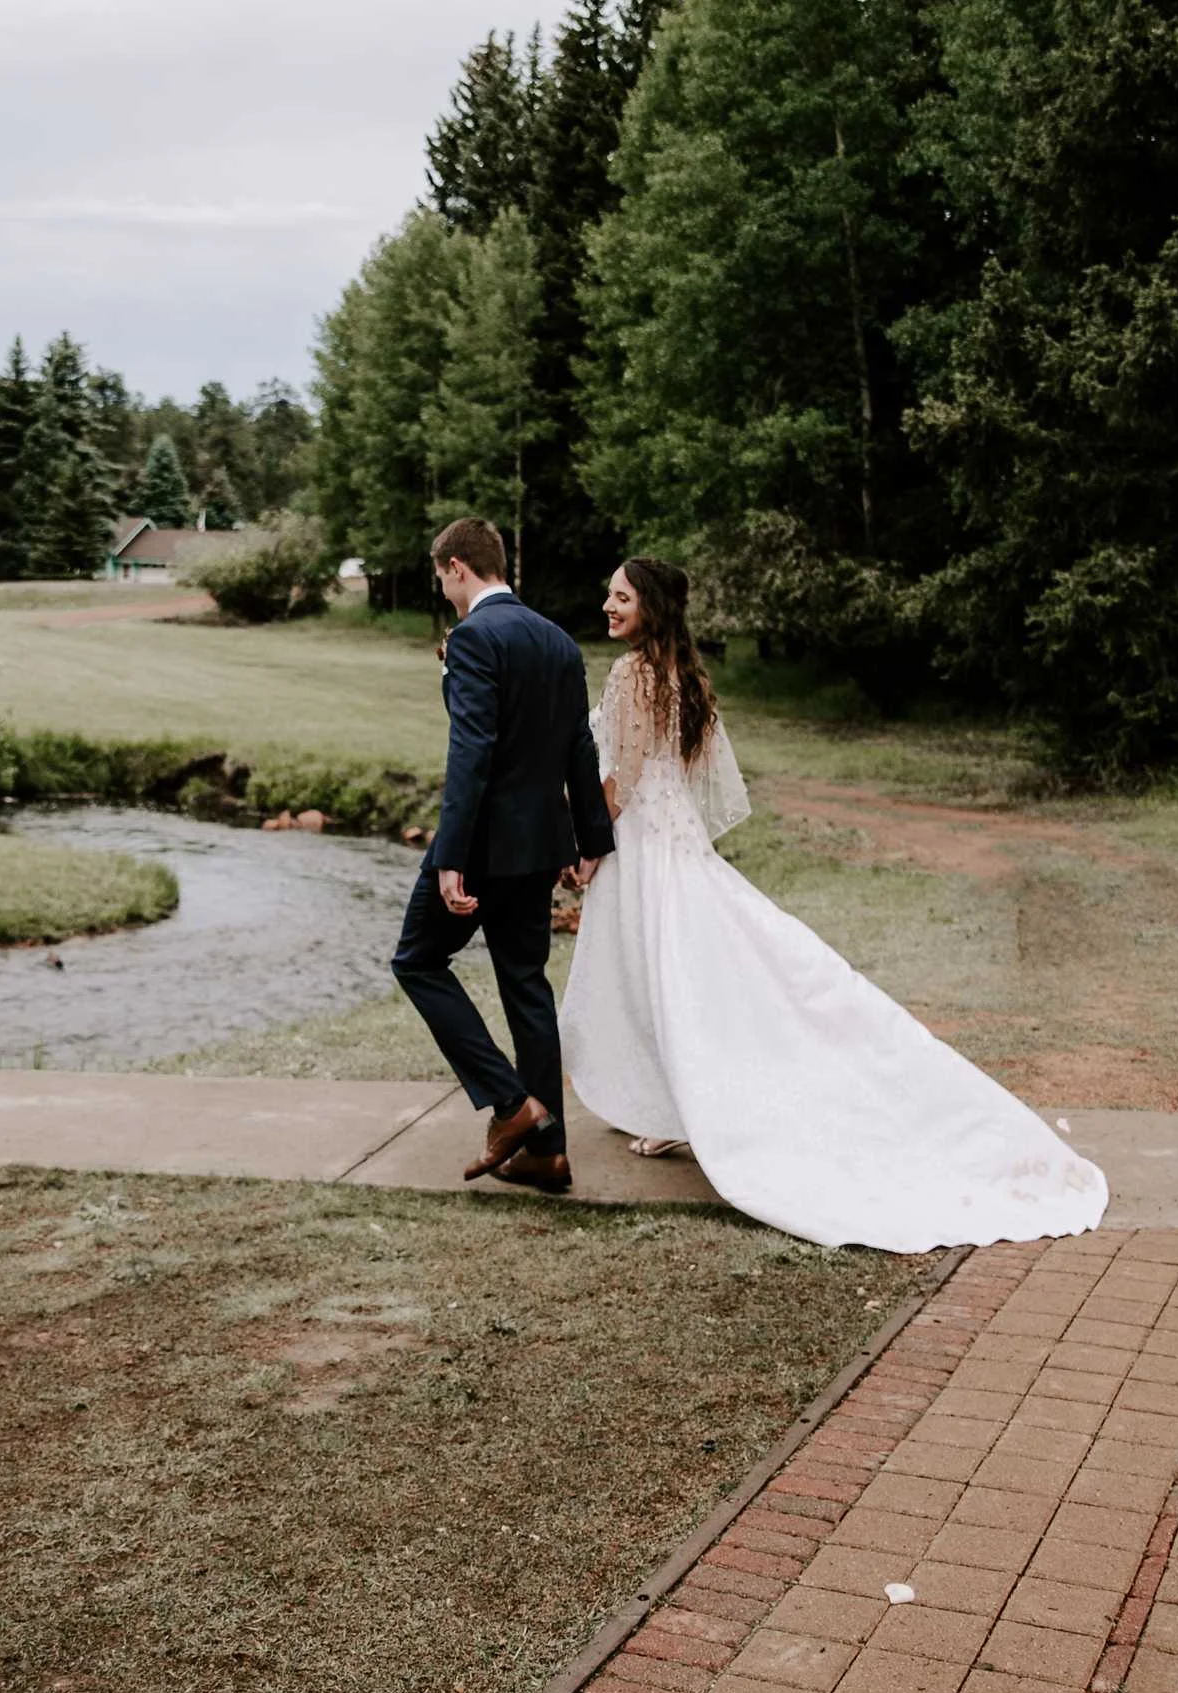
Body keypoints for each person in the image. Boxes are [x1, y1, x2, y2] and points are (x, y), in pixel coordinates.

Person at [559, 557, 1108, 1252]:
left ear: (652, 607)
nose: (607, 606)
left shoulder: (632, 673)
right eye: (608, 595)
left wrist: (587, 843)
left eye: (620, 597)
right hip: (676, 843)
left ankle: (693, 1108)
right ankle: (674, 1109)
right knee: (685, 977)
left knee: (669, 978)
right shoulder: (680, 674)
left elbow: (628, 776)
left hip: (646, 847)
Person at [390, 517, 614, 1193]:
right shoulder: (558, 640)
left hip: (484, 846)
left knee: (417, 961)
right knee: (525, 984)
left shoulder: (474, 637)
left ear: (458, 566)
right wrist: (590, 839)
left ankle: (512, 1104)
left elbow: (472, 749)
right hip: (540, 844)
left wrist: (451, 854)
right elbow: (579, 745)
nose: (442, 588)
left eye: (441, 576)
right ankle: (547, 1155)